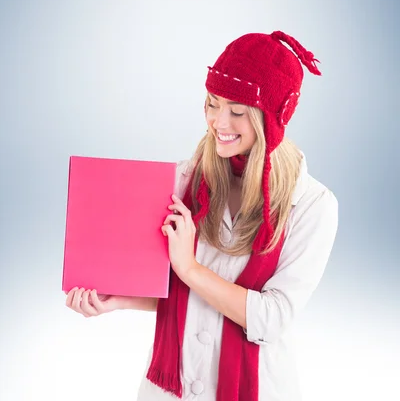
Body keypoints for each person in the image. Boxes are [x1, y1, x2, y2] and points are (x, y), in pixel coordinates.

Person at [65, 30, 338, 401]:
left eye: (237, 111)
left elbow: (271, 318)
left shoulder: (312, 205)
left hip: (254, 389)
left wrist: (190, 268)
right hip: (169, 385)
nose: (218, 123)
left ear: (271, 119)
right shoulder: (183, 179)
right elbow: (175, 289)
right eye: (212, 104)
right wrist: (120, 298)